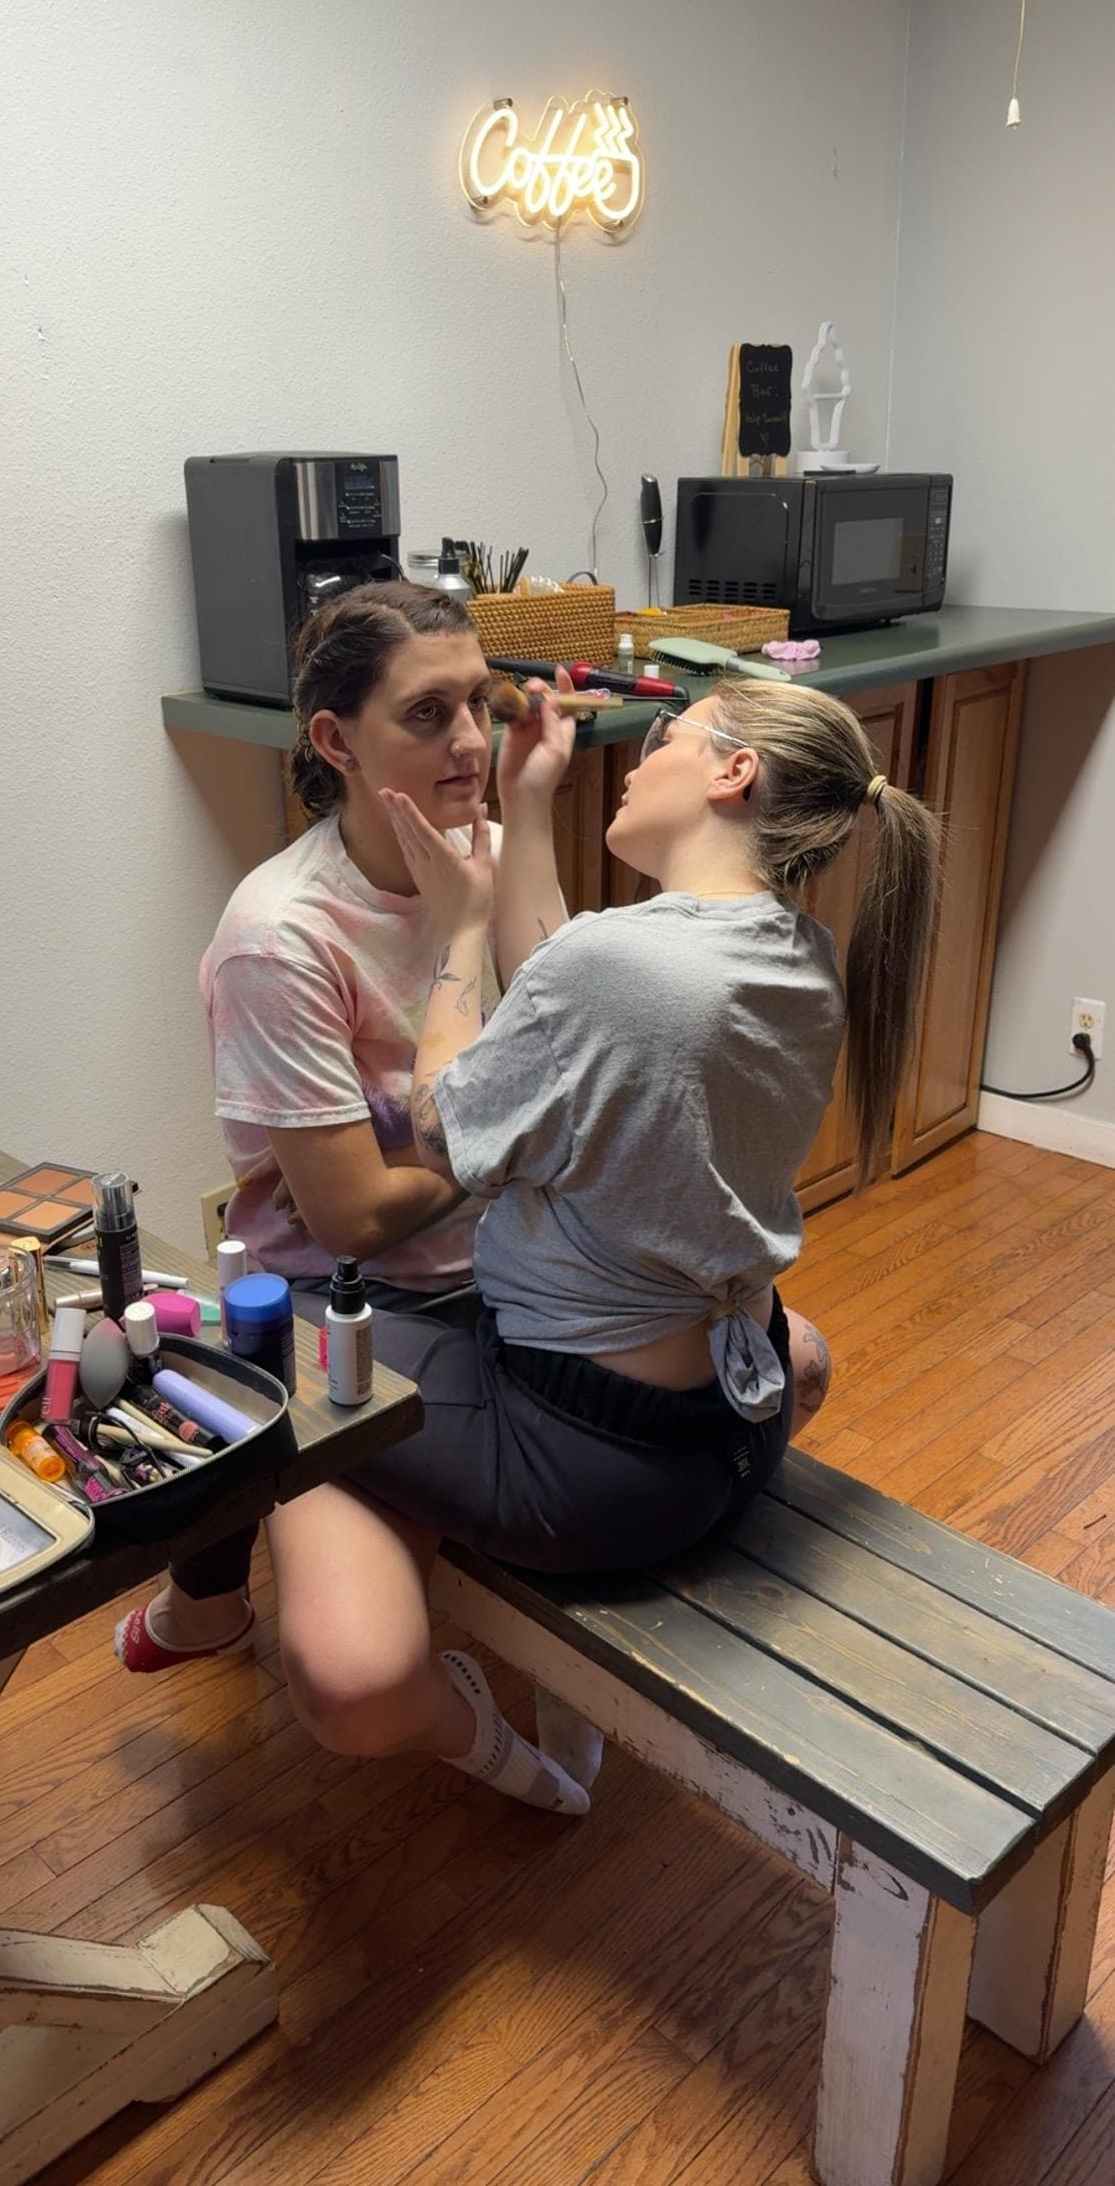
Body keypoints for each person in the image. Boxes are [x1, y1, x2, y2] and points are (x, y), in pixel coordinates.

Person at [261, 675, 942, 1816]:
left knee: (253, 1352)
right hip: (735, 1418)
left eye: (666, 736)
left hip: (584, 1474)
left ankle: (482, 1723)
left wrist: (459, 929)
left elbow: (442, 1124)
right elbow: (571, 995)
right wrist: (530, 803)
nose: (638, 757)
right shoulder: (795, 952)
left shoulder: (623, 968)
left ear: (733, 772)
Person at [115, 578, 552, 1669]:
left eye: (481, 705)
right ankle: (224, 1587)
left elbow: (567, 1042)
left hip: (508, 1264)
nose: (470, 742)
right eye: (426, 714)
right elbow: (354, 1219)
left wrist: (532, 813)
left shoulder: (487, 848)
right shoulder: (282, 938)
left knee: (797, 1360)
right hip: (352, 1301)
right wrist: (510, 1130)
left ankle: (240, 1579)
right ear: (334, 739)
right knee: (360, 1674)